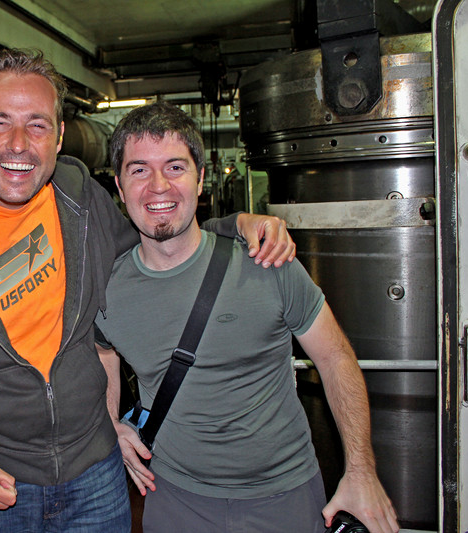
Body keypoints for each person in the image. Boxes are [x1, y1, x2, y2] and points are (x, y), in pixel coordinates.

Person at [0, 49, 295, 532]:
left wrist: (236, 226)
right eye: (0, 122)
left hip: (95, 473)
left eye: (38, 125)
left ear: (61, 136)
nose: (19, 144)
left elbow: (157, 243)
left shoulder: (79, 199)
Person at [95, 102, 399, 533]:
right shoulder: (109, 289)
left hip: (285, 497)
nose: (158, 187)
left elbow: (335, 359)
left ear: (200, 180)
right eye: (139, 170)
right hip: (176, 501)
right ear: (120, 188)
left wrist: (362, 472)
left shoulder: (267, 263)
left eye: (176, 167)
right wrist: (111, 425)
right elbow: (101, 349)